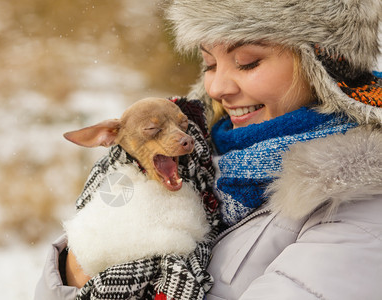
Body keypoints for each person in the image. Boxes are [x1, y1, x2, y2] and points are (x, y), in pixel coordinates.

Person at [35, 0, 382, 299]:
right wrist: (82, 257)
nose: (216, 87)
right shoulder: (200, 164)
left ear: (325, 65)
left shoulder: (358, 208)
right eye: (209, 64)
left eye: (247, 62)